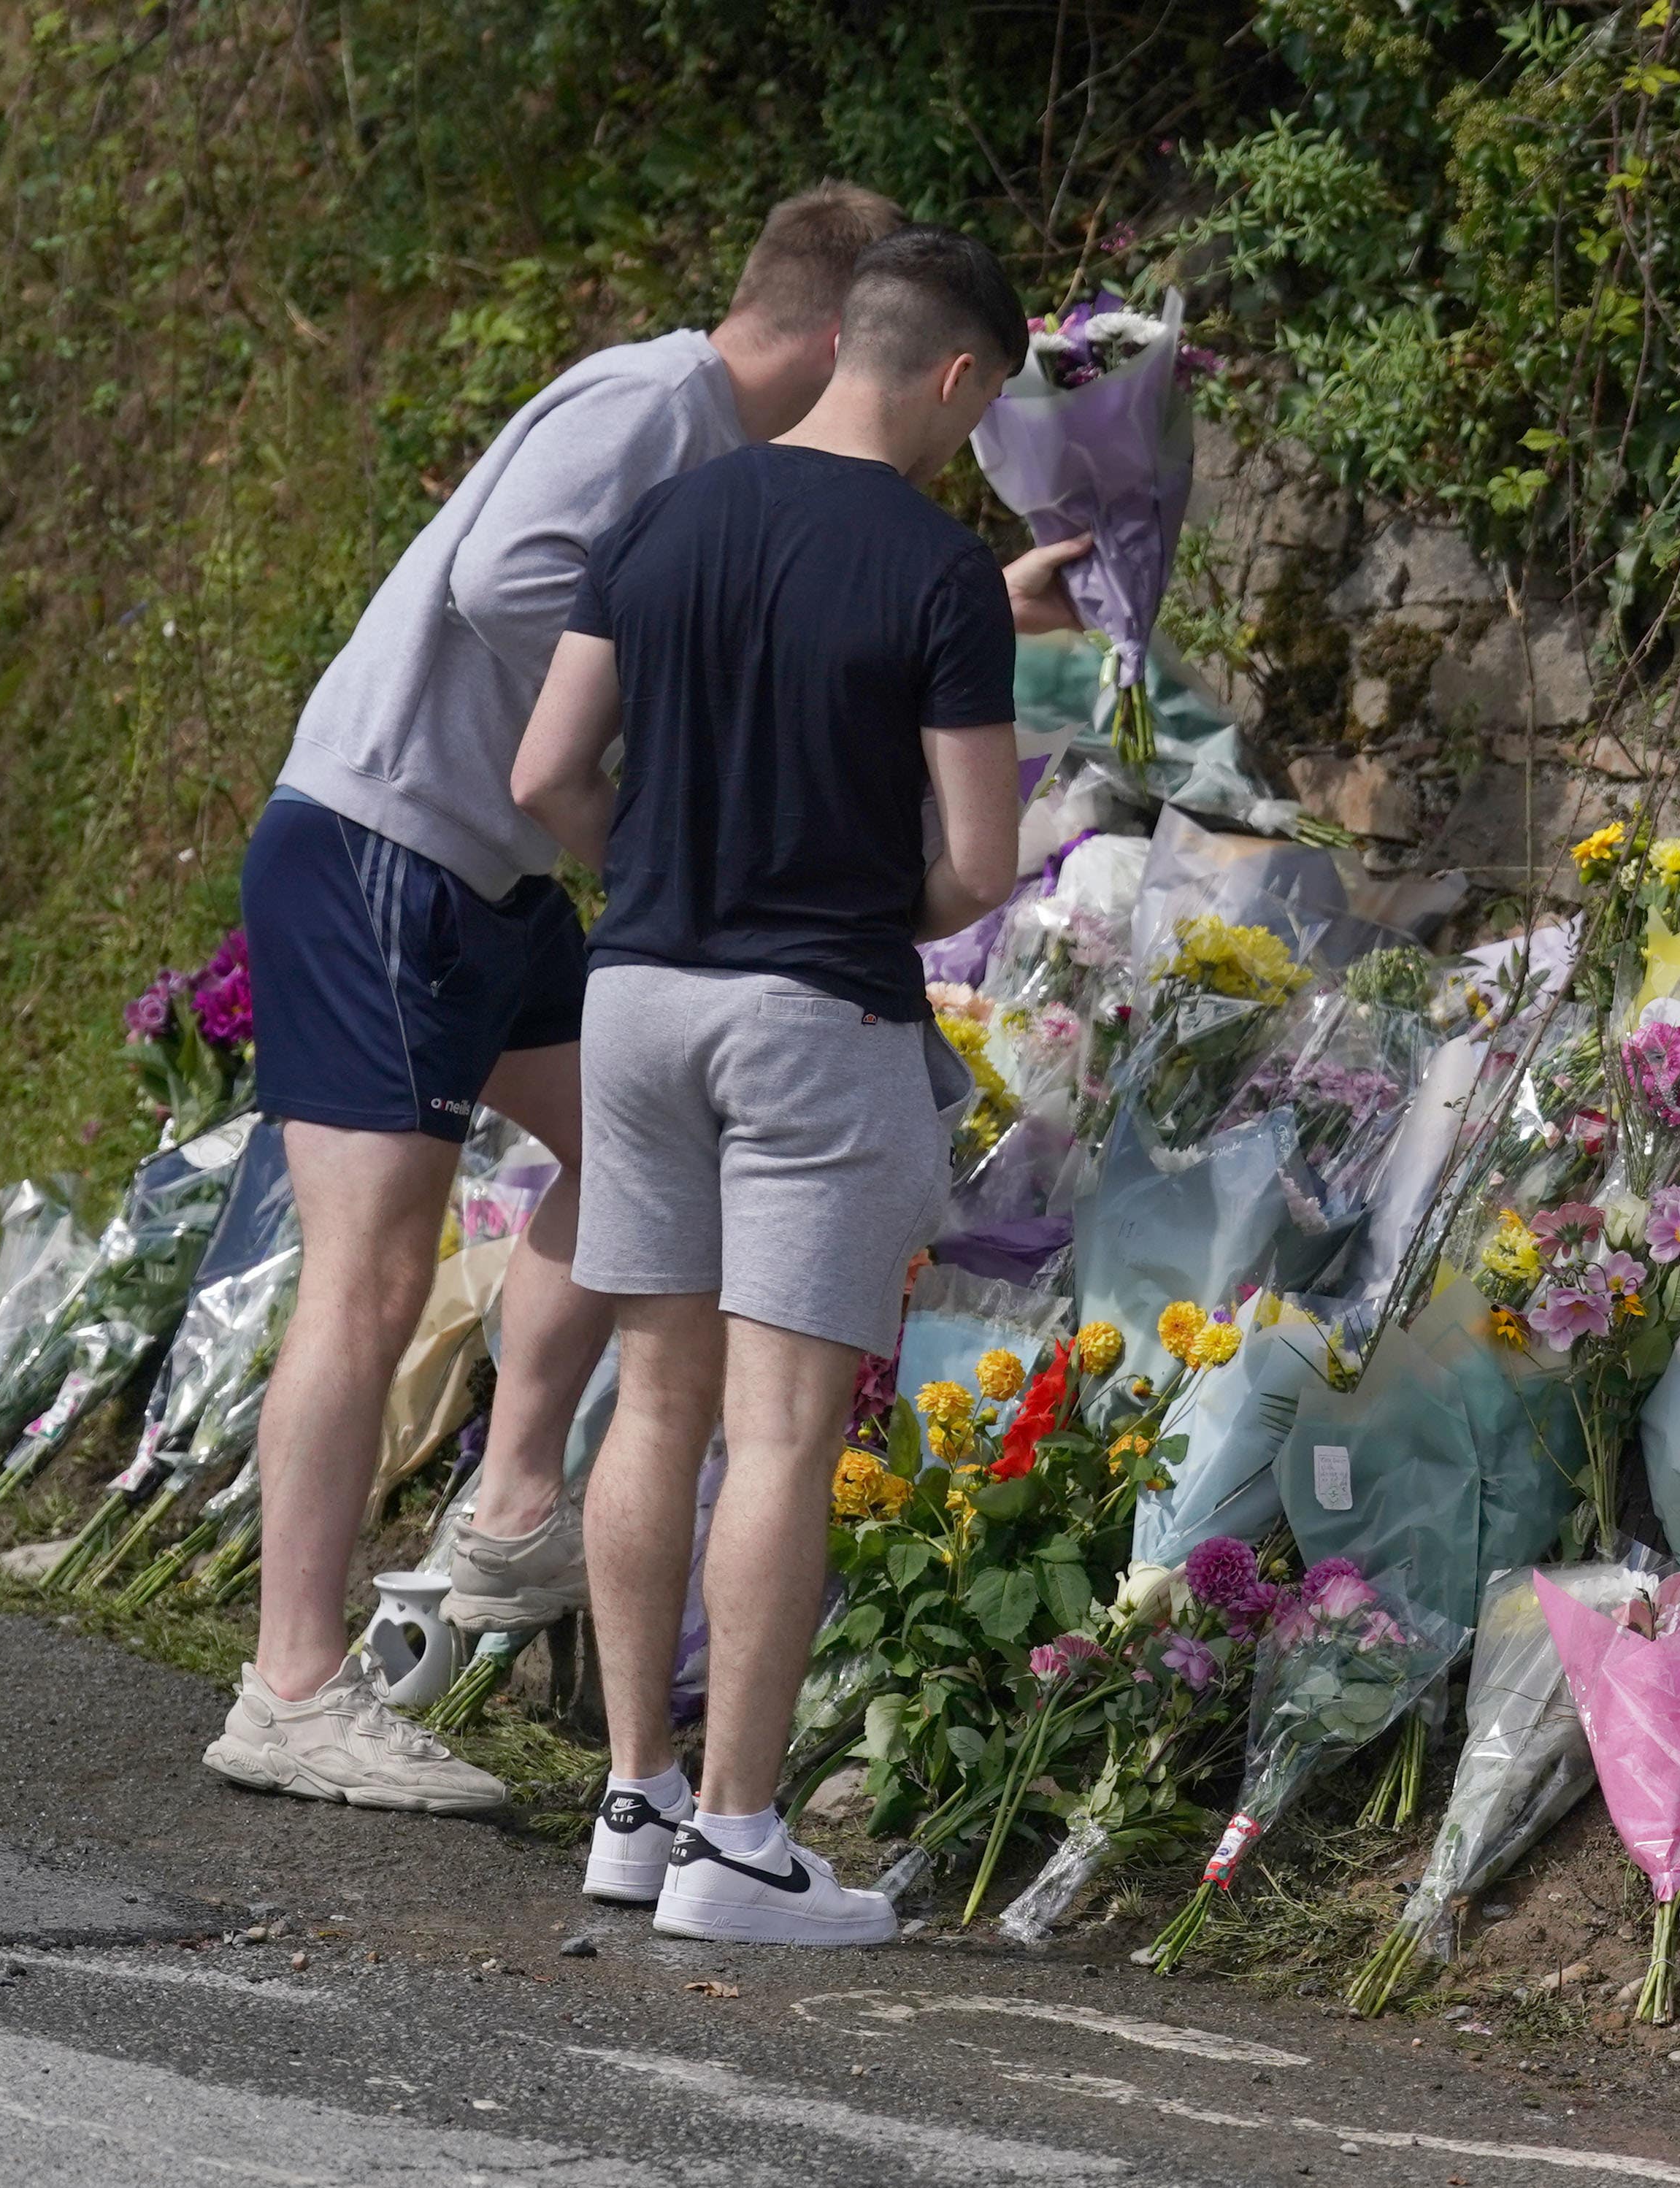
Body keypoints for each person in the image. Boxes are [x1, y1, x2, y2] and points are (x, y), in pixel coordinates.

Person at [207, 182, 1083, 1816]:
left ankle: (518, 1502)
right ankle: (293, 1679)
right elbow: (502, 580)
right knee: (376, 1261)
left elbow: (738, 611)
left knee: (618, 1170)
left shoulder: (729, 480)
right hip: (394, 836)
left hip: (522, 872)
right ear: (856, 334)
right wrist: (667, 744)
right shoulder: (646, 404)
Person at [511, 224, 1033, 1942]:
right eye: (982, 410)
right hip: (815, 1015)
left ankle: (633, 1805)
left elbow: (544, 772)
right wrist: (853, 895)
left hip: (639, 993)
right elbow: (975, 860)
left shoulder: (668, 512)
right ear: (954, 376)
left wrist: (662, 868)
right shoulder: (941, 571)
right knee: (787, 1431)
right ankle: (741, 1838)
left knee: (653, 1401)